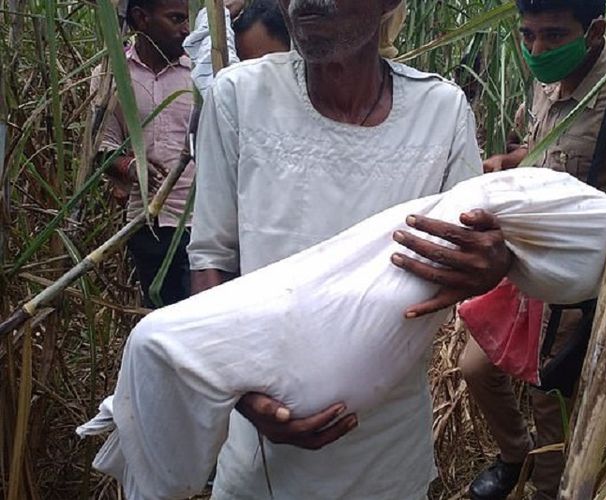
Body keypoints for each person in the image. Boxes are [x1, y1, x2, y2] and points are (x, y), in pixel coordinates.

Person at [187, 0, 512, 498]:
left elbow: (472, 248)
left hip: (386, 449)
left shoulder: (439, 113)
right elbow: (211, 258)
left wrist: (492, 263)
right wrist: (242, 395)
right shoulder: (241, 97)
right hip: (263, 454)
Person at [463, 1, 606, 499]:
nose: (537, 49)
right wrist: (507, 162)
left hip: (579, 283)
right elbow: (542, 148)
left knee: (552, 404)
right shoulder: (545, 82)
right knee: (475, 366)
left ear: (594, 32)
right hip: (528, 261)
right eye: (527, 35)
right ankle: (513, 456)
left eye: (551, 35)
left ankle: (548, 488)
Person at [96, 0, 194, 308]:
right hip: (148, 224)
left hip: (204, 224)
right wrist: (131, 166)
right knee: (161, 318)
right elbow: (101, 150)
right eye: (176, 19)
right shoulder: (112, 75)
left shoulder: (204, 71)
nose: (186, 29)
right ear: (141, 18)